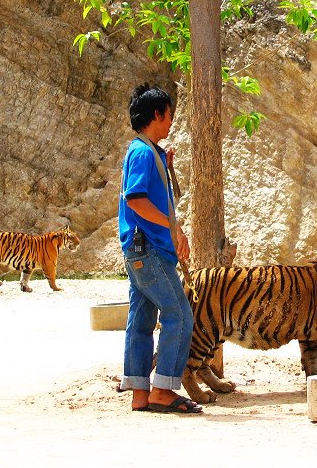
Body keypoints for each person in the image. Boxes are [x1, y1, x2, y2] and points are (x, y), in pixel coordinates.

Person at [118, 84, 201, 414]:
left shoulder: (147, 151)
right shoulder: (141, 152)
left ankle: (140, 392)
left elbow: (151, 194)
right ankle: (163, 388)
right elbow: (135, 199)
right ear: (157, 114)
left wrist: (164, 164)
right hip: (149, 249)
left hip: (140, 249)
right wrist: (173, 227)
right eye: (168, 116)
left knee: (140, 319)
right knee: (179, 314)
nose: (170, 123)